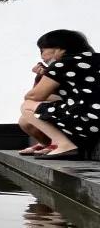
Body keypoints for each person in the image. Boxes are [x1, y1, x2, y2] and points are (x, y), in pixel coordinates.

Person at [19, 29, 99, 160]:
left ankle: (65, 145)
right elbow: (66, 97)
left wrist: (44, 75)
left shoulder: (63, 63)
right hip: (92, 116)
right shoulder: (94, 59)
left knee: (27, 106)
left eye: (43, 50)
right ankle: (52, 145)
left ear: (59, 48)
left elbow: (34, 97)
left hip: (89, 121)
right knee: (26, 120)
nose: (42, 56)